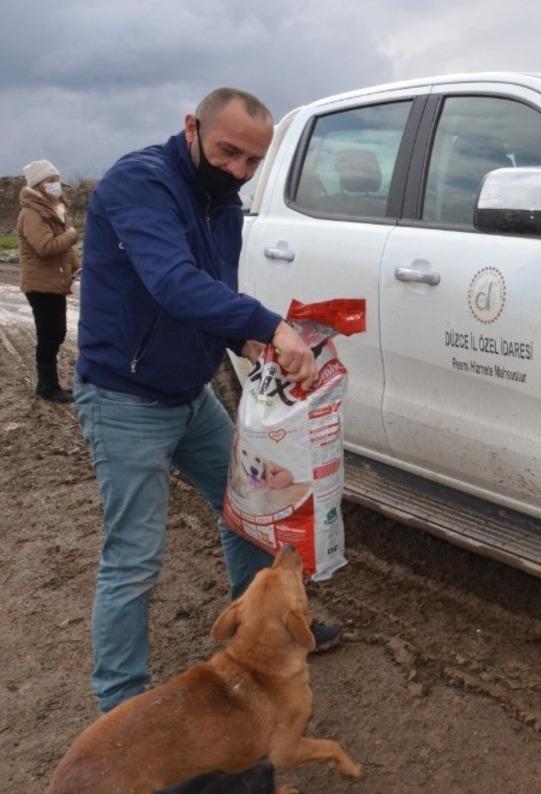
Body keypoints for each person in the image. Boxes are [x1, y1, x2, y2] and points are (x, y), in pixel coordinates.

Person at [73, 87, 339, 716]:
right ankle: (123, 710)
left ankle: (261, 635)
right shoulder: (141, 184)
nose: (237, 170)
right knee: (135, 557)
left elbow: (212, 295)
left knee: (250, 510)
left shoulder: (224, 204)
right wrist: (271, 324)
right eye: (227, 152)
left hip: (190, 396)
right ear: (191, 127)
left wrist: (249, 339)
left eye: (252, 162)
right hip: (125, 398)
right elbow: (173, 282)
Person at [17, 160, 80, 403]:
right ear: (38, 185)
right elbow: (45, 247)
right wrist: (71, 236)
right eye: (50, 180)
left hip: (52, 283)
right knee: (50, 334)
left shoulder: (53, 210)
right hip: (40, 284)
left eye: (56, 179)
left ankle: (48, 384)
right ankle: (48, 386)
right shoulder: (33, 213)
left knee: (55, 332)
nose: (56, 184)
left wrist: (76, 266)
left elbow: (63, 248)